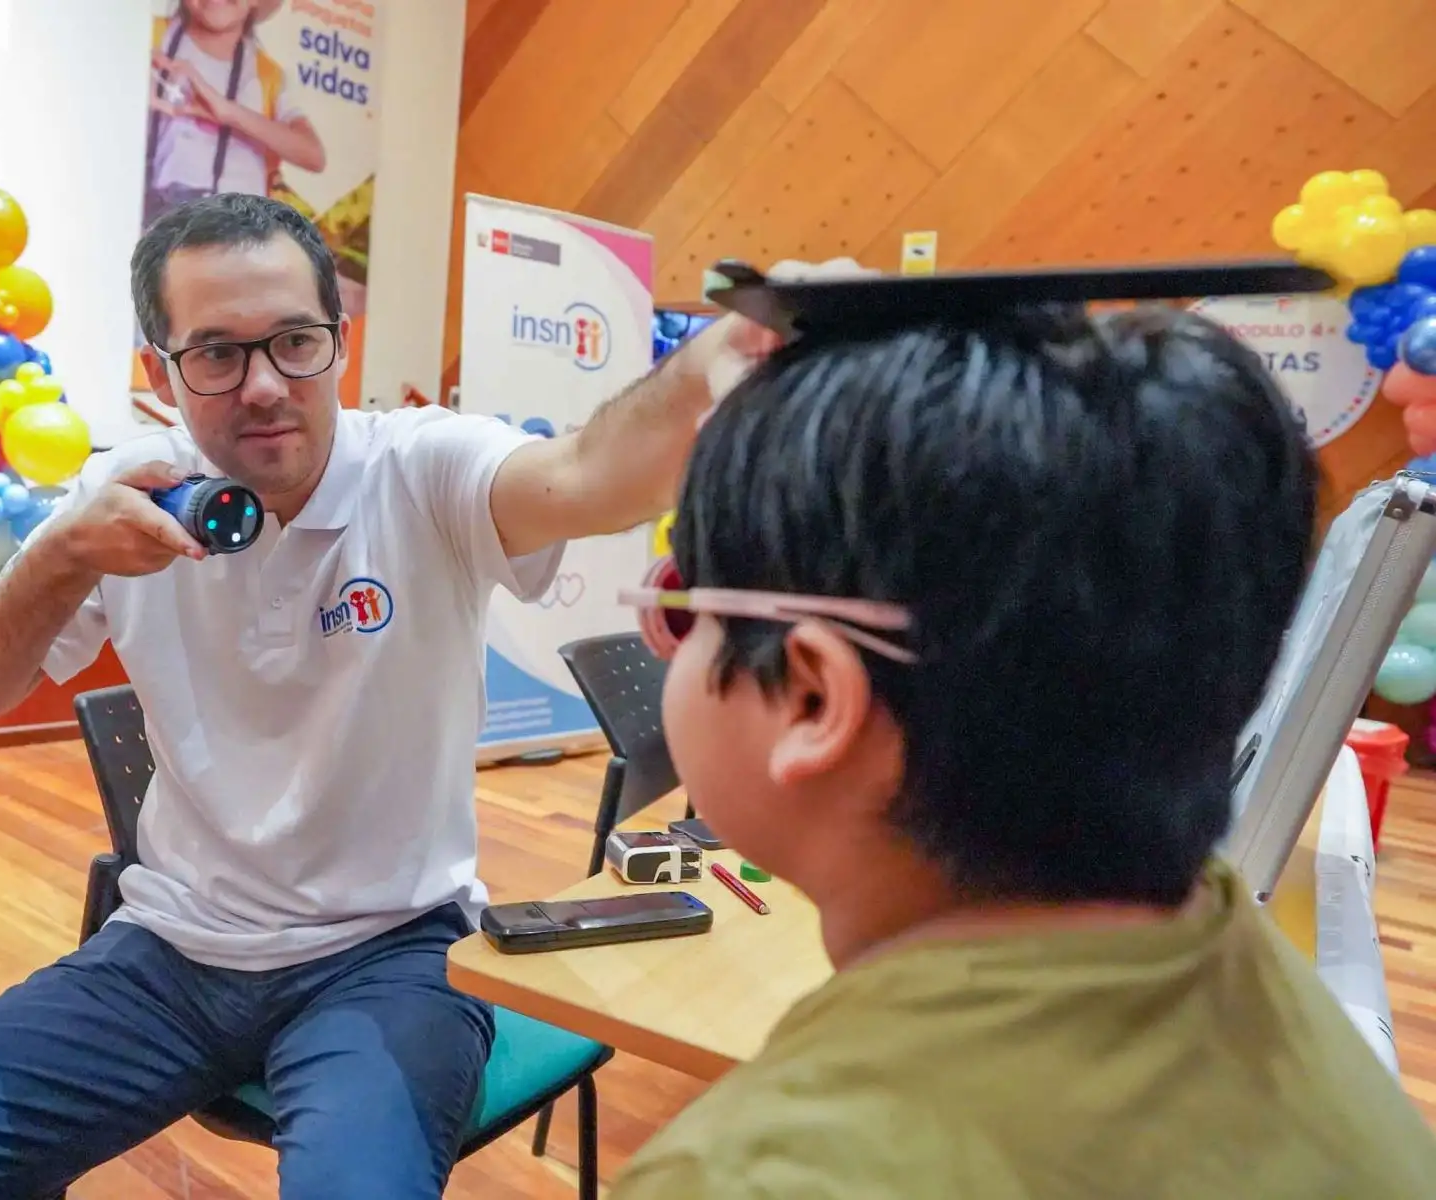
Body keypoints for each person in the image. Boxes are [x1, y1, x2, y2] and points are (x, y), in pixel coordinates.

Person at [0, 192, 763, 1199]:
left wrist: (727, 348)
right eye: (216, 353)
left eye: (295, 342)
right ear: (163, 369)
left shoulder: (422, 469)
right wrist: (65, 554)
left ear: (339, 342)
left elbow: (592, 471)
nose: (262, 386)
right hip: (171, 949)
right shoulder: (125, 496)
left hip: (394, 951)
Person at [611, 303, 1436, 1198]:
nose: (667, 631)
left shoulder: (743, 1177)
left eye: (687, 602)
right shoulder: (1223, 941)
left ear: (814, 696)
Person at [144, 0, 325, 229]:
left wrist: (226, 111)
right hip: (152, 218)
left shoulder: (266, 74)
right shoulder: (149, 34)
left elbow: (313, 156)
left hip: (235, 230)